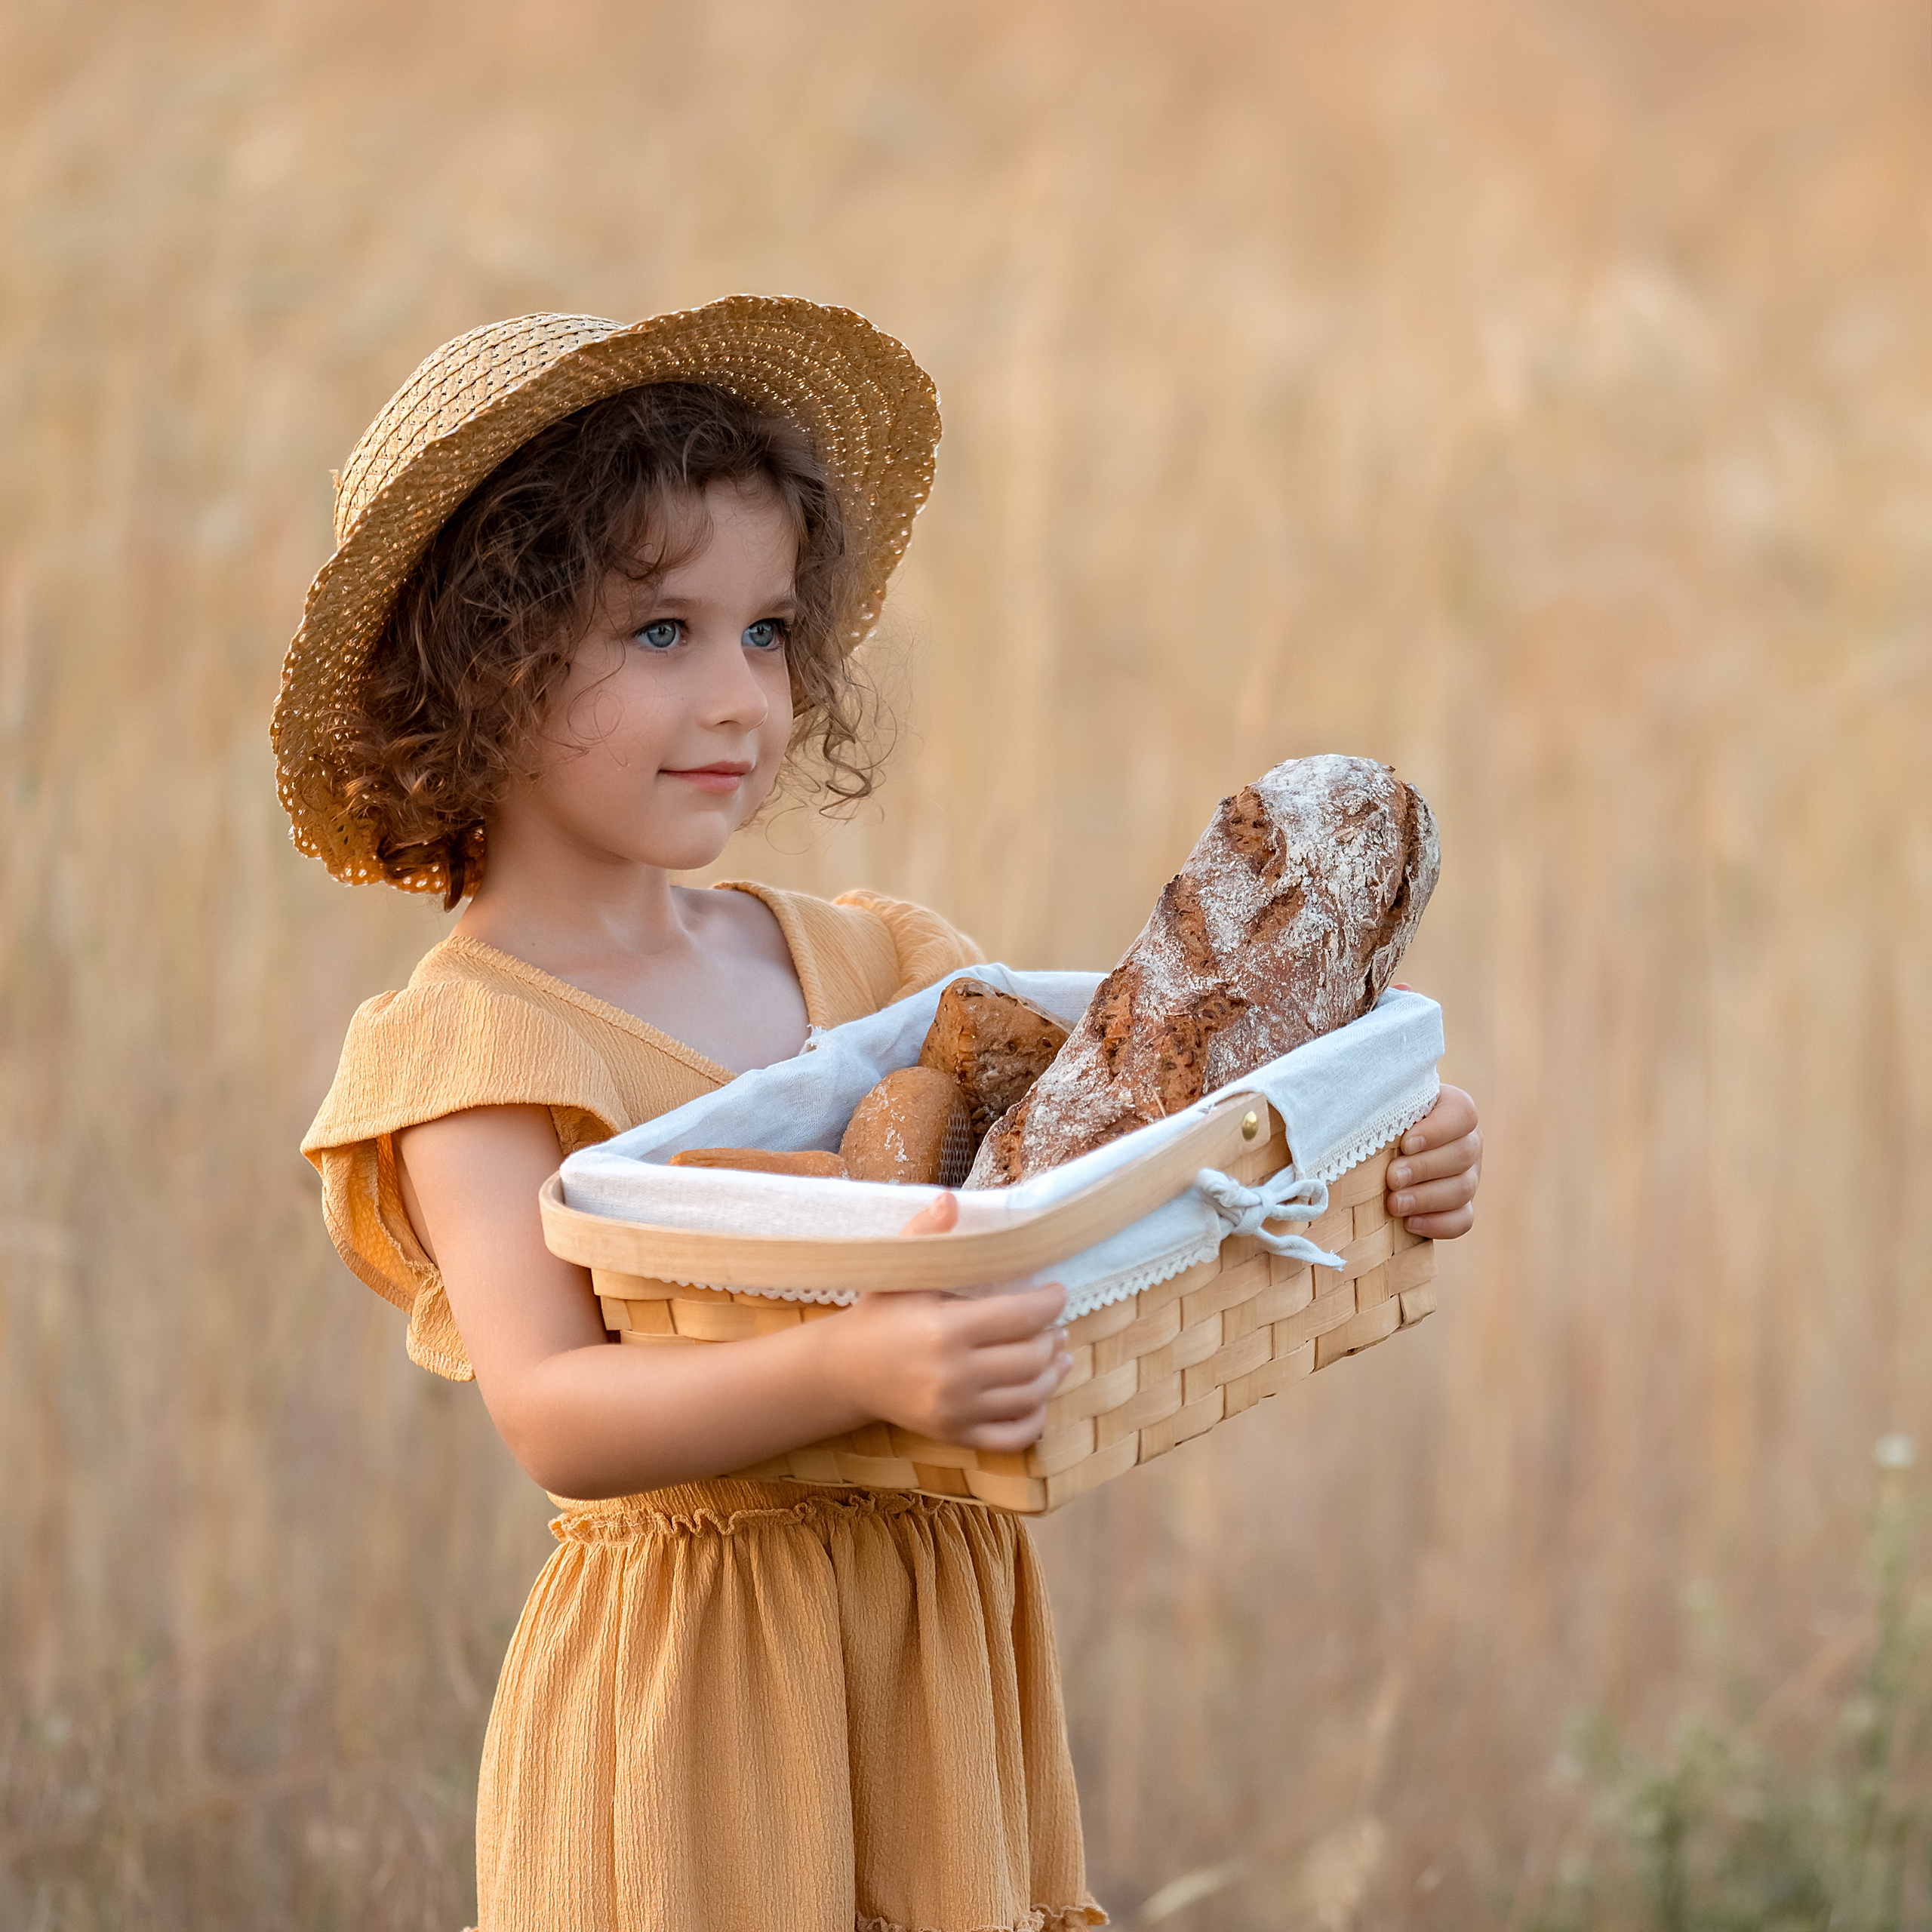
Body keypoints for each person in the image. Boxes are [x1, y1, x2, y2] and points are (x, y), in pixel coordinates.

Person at [280, 298, 1484, 1932]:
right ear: (477, 661)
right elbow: (556, 1408)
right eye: (660, 633)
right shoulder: (476, 1047)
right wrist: (848, 1364)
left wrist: (1349, 1140)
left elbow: (1121, 1154)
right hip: (702, 1684)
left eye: (768, 631)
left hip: (929, 1631)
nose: (739, 699)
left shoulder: (873, 967)